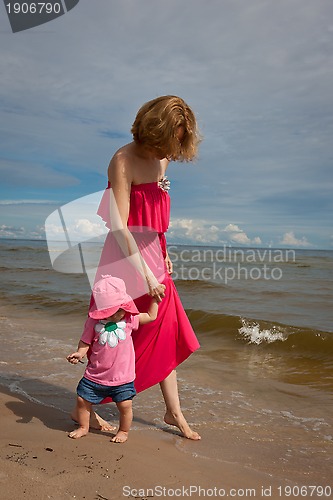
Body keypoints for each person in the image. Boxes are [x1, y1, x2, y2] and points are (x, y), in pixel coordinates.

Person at [86, 95, 202, 440]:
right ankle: (89, 404)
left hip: (153, 255)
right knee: (113, 336)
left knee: (165, 332)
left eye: (180, 139)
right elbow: (120, 225)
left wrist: (163, 252)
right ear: (155, 129)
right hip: (124, 259)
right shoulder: (122, 160)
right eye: (172, 137)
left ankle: (173, 412)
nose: (174, 146)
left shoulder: (163, 158)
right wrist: (147, 274)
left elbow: (156, 220)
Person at [67, 274, 160, 443]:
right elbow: (85, 341)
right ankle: (83, 427)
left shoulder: (130, 319)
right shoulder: (93, 321)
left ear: (124, 306)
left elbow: (151, 316)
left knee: (125, 406)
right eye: (107, 313)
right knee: (82, 400)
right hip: (95, 375)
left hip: (122, 377)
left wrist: (155, 298)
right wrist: (80, 353)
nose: (112, 316)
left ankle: (123, 431)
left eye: (117, 311)